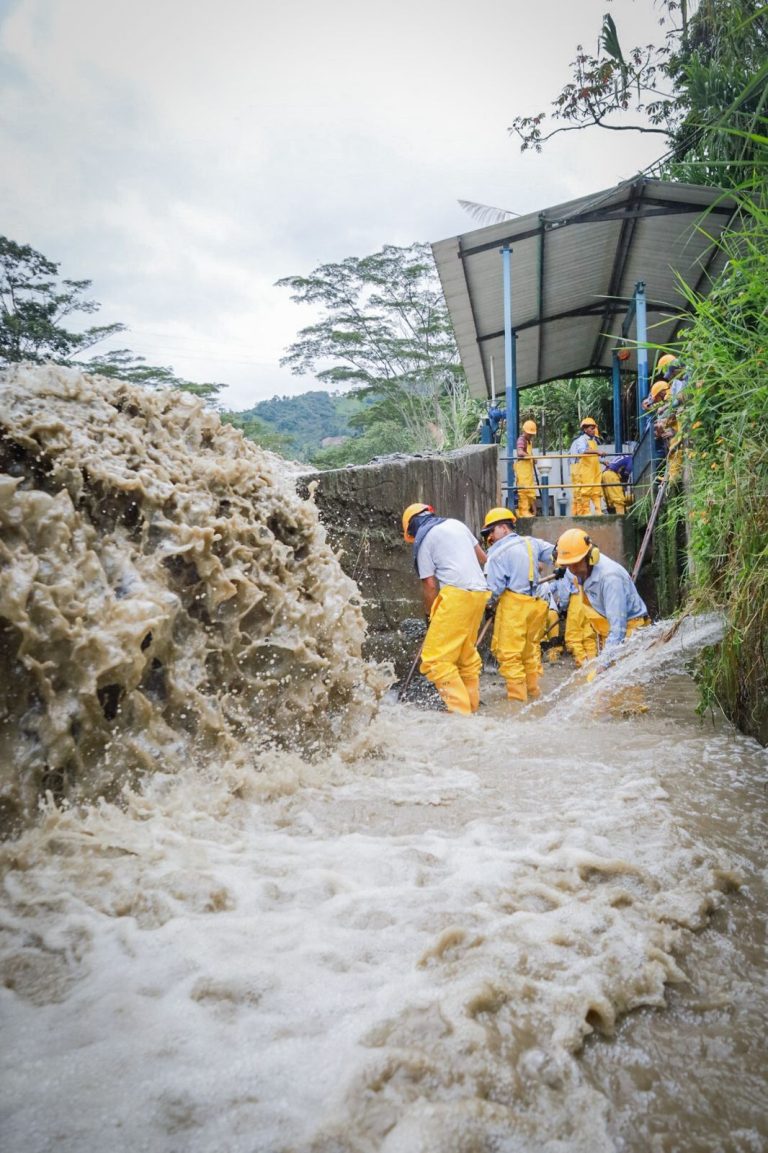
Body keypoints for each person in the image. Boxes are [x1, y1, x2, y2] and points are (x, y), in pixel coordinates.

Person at [402, 502, 489, 716]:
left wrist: (430, 617)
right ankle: (472, 708)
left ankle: (460, 716)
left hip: (456, 597)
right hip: (479, 594)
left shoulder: (424, 540)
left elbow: (430, 586)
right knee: (465, 657)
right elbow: (484, 559)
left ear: (412, 528)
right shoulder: (457, 525)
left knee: (436, 660)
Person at [480, 506, 555, 702]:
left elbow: (493, 590)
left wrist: (487, 606)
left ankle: (517, 703)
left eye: (491, 531)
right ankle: (534, 694)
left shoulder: (496, 555)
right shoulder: (532, 543)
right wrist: (563, 568)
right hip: (536, 605)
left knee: (510, 656)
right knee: (529, 653)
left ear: (504, 528)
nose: (490, 537)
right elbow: (557, 553)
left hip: (514, 608)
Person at [554, 529, 650, 652]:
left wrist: (604, 663)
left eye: (576, 563)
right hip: (607, 633)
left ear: (591, 556)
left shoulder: (610, 579)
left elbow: (618, 629)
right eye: (568, 564)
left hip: (630, 632)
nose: (572, 569)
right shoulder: (578, 570)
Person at [569, 417, 604, 516]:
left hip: (594, 469)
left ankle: (598, 510)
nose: (593, 431)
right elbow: (582, 451)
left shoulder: (593, 441)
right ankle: (585, 512)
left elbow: (594, 456)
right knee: (585, 490)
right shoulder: (581, 440)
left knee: (596, 489)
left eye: (594, 428)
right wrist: (597, 451)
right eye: (591, 428)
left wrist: (603, 461)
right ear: (585, 429)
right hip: (584, 469)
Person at [514, 419, 539, 517]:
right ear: (524, 431)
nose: (530, 435)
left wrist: (533, 459)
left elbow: (528, 454)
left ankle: (533, 512)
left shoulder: (529, 442)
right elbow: (520, 452)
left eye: (532, 434)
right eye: (529, 434)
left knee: (531, 491)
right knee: (523, 491)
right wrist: (531, 457)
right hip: (522, 470)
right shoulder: (521, 440)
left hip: (528, 471)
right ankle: (523, 512)